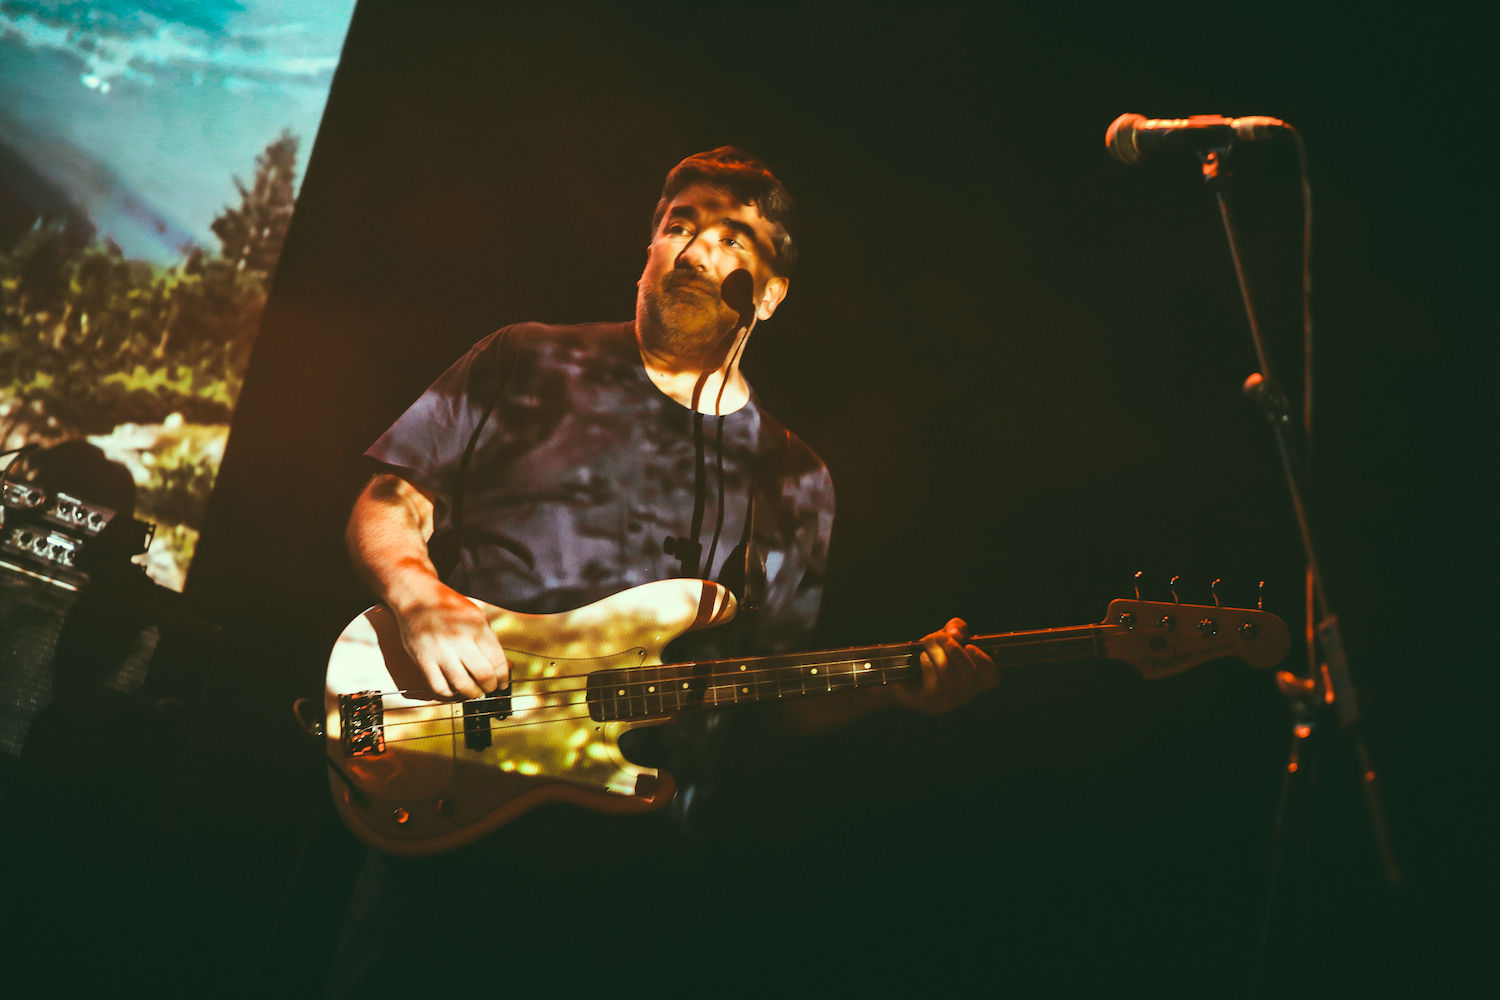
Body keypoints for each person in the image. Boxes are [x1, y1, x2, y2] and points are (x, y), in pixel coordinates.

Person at [326, 148, 997, 995]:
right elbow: (392, 499)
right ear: (646, 250)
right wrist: (416, 594)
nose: (692, 251)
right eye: (677, 226)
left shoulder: (794, 478)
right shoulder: (526, 359)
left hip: (633, 874)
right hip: (456, 799)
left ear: (771, 292)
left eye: (728, 239)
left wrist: (895, 683)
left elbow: (781, 694)